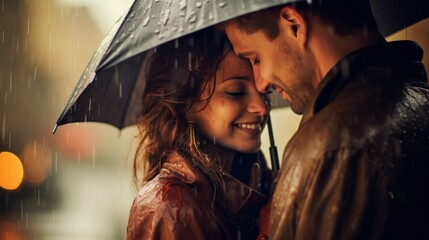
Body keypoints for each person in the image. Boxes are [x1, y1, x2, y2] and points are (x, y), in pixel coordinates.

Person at [224, 1, 429, 239]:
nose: (260, 83)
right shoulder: (417, 96)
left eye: (255, 58)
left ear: (294, 25)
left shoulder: (327, 150)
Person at [126, 27, 275, 240]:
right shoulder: (167, 208)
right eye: (235, 92)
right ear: (185, 102)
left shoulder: (263, 184)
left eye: (264, 91)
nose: (262, 107)